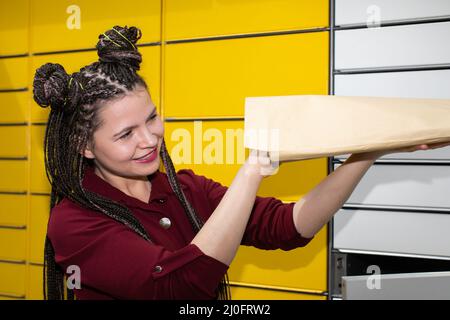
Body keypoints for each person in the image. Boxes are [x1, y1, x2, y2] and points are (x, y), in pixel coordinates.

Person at [32, 25, 450, 300]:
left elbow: (291, 225)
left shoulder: (185, 189)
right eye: (125, 134)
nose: (149, 139)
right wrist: (251, 172)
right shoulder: (74, 222)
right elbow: (180, 288)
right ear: (84, 146)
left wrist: (369, 150)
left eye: (152, 117)